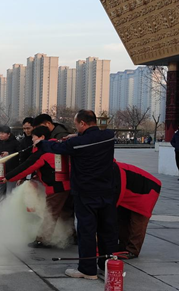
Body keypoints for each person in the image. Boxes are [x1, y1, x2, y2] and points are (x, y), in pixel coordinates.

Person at [35, 109, 117, 280]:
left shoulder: (77, 143)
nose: (76, 128)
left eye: (76, 125)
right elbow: (91, 138)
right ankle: (108, 265)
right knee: (107, 230)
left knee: (87, 230)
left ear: (82, 123)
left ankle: (87, 270)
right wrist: (77, 135)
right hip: (107, 191)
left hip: (86, 193)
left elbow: (55, 147)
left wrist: (40, 143)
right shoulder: (109, 136)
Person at [4, 126, 76, 248]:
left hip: (57, 188)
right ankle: (71, 236)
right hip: (69, 185)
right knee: (65, 213)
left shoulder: (43, 152)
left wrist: (7, 177)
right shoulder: (58, 147)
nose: (32, 140)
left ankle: (43, 240)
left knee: (51, 213)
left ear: (42, 137)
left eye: (34, 137)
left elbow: (26, 167)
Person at [113, 160, 161, 258]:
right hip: (128, 193)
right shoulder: (108, 167)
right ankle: (123, 246)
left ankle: (133, 250)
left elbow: (118, 190)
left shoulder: (114, 169)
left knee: (138, 222)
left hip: (147, 190)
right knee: (122, 219)